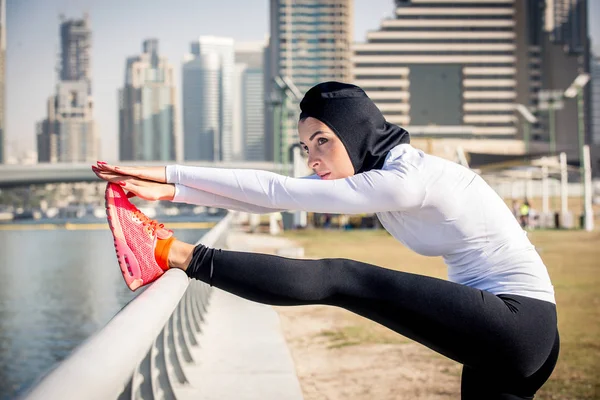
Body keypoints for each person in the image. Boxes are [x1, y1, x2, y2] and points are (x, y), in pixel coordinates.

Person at [92, 82, 559, 399]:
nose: (312, 157)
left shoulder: (406, 177)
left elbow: (278, 192)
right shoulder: (381, 174)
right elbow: (272, 198)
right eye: (305, 147)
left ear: (355, 133)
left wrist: (168, 175)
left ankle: (172, 253)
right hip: (509, 332)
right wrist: (173, 191)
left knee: (341, 276)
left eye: (322, 141)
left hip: (517, 323)